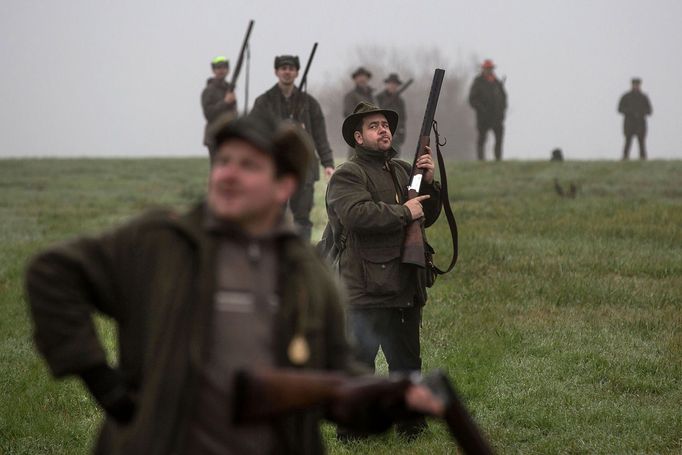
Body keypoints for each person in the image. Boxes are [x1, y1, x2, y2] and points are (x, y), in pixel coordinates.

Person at [26, 113, 444, 454]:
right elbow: (51, 273)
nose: (228, 173)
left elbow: (334, 374)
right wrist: (101, 380)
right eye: (223, 160)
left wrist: (389, 400)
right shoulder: (161, 242)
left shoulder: (304, 271)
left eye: (248, 165)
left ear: (282, 185)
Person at [325, 102, 442, 438]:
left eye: (385, 125)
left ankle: (411, 429)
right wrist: (403, 212)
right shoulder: (350, 174)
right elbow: (356, 215)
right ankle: (352, 432)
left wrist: (430, 185)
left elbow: (425, 216)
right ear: (359, 138)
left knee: (407, 363)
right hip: (365, 287)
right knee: (360, 364)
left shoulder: (404, 170)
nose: (383, 130)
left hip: (405, 282)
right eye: (374, 126)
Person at [251, 55, 335, 241]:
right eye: (283, 68)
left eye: (291, 68)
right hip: (274, 165)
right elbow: (253, 132)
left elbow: (320, 136)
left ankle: (300, 255)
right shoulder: (263, 102)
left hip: (304, 165)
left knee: (302, 218)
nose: (287, 71)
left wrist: (328, 163)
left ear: (297, 72)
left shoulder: (310, 103)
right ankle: (272, 253)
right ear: (276, 72)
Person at [468, 59, 507, 161]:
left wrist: (502, 112)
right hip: (483, 117)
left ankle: (498, 159)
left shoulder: (497, 82)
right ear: (483, 69)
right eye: (487, 68)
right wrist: (481, 109)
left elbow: (504, 99)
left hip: (497, 117)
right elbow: (472, 99)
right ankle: (481, 160)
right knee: (482, 139)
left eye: (490, 68)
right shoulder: (478, 82)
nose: (489, 70)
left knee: (499, 139)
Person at [201, 56, 238, 159]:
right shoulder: (209, 90)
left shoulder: (229, 88)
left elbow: (233, 114)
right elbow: (208, 114)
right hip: (214, 137)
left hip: (228, 136)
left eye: (224, 67)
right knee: (217, 171)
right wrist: (225, 102)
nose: (221, 70)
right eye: (218, 68)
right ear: (213, 70)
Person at [343, 67, 375, 157]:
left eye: (364, 77)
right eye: (359, 77)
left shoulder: (372, 96)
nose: (362, 79)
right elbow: (349, 114)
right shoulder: (350, 96)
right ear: (355, 79)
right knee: (355, 164)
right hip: (358, 134)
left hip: (373, 136)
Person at [618, 78, 652, 160]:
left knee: (641, 142)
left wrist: (641, 113)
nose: (636, 86)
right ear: (632, 85)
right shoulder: (626, 96)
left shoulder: (643, 97)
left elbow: (649, 111)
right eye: (634, 84)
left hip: (641, 123)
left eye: (637, 84)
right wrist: (630, 112)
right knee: (628, 141)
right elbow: (620, 109)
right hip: (629, 123)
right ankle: (625, 158)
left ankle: (643, 158)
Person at [376, 73, 407, 153]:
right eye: (391, 83)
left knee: (395, 161)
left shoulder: (400, 101)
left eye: (395, 84)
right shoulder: (378, 98)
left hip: (395, 136)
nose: (393, 86)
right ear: (387, 84)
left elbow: (403, 119)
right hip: (380, 134)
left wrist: (402, 134)